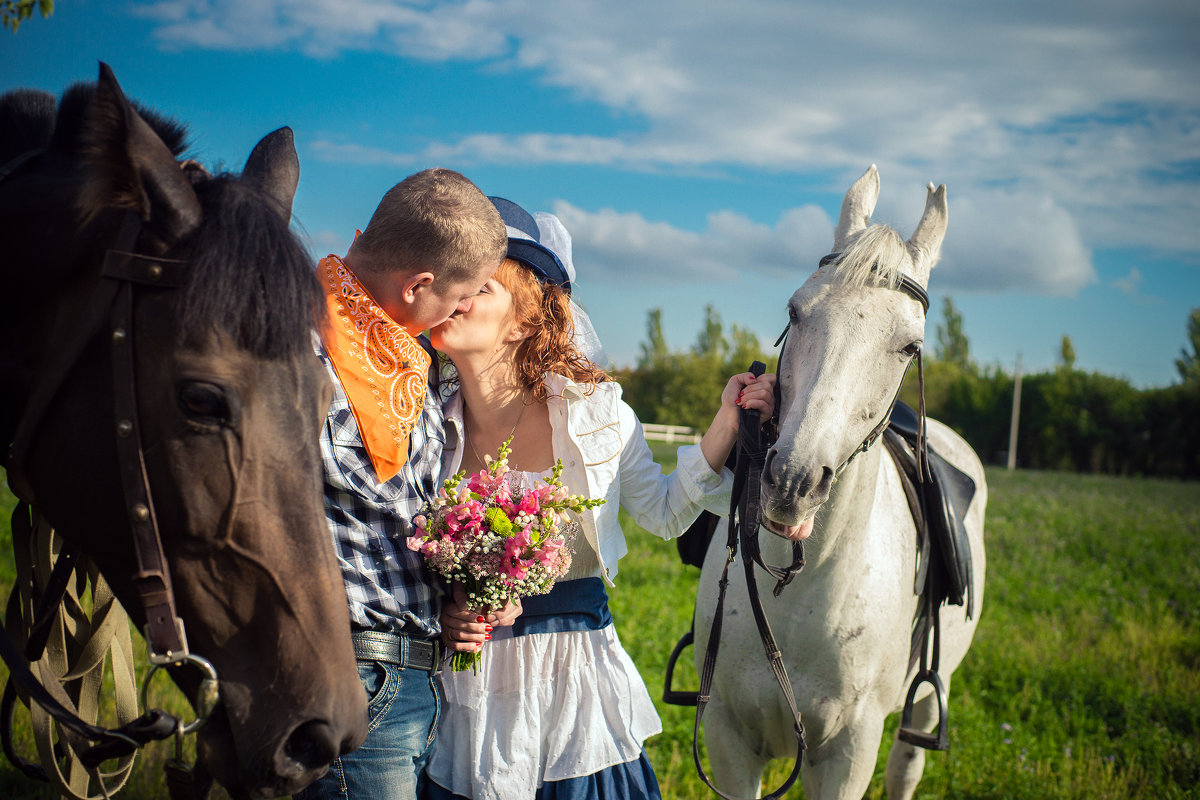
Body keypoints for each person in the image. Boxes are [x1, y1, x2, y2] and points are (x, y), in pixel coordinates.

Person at [422, 198, 776, 800]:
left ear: (527, 319)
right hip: (465, 690)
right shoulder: (426, 427)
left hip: (571, 681)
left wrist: (725, 424)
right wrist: (450, 609)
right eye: (451, 279)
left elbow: (662, 513)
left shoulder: (597, 417)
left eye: (478, 285)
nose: (455, 295)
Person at [297, 169, 521, 800]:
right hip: (350, 673)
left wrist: (471, 587)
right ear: (419, 284)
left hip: (410, 674)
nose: (462, 310)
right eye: (461, 295)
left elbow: (392, 523)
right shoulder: (300, 349)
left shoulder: (400, 357)